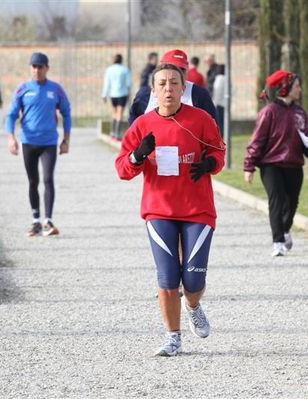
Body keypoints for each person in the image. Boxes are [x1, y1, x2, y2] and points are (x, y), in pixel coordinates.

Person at [115, 63, 225, 357]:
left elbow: (219, 151)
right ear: (153, 90)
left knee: (193, 280)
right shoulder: (141, 125)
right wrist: (139, 155)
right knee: (167, 277)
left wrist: (210, 164)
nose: (168, 88)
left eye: (174, 83)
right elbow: (122, 169)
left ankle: (193, 305)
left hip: (197, 210)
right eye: (162, 83)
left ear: (183, 87)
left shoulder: (200, 119)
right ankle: (172, 337)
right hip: (159, 210)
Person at [244, 70, 308, 256]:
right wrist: (249, 166)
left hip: (294, 164)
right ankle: (278, 241)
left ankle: (286, 229)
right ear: (285, 88)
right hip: (271, 165)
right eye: (296, 86)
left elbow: (307, 138)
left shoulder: (299, 112)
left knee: (292, 202)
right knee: (277, 201)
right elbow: (257, 141)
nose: (300, 89)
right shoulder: (269, 112)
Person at [6, 52, 72, 237]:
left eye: (40, 66)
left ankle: (48, 221)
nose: (37, 70)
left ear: (47, 68)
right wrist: (11, 138)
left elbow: (67, 113)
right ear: (30, 68)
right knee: (33, 181)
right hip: (28, 142)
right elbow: (11, 115)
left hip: (49, 142)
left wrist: (66, 140)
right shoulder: (22, 89)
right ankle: (35, 220)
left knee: (48, 179)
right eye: (34, 66)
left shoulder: (56, 89)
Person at [128, 49, 218, 128]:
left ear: (187, 70)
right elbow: (133, 129)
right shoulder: (145, 95)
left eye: (182, 69)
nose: (177, 73)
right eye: (173, 68)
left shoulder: (199, 94)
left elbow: (214, 127)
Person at [102, 54, 132, 141]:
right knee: (120, 114)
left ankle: (112, 133)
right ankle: (117, 134)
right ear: (121, 60)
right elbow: (128, 83)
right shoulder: (125, 69)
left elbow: (107, 83)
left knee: (114, 113)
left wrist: (104, 95)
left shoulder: (109, 70)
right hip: (122, 94)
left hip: (113, 94)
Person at [212, 64, 226, 133]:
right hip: (225, 104)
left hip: (219, 104)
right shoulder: (227, 78)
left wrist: (214, 103)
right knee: (224, 123)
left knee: (219, 124)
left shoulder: (219, 78)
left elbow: (217, 91)